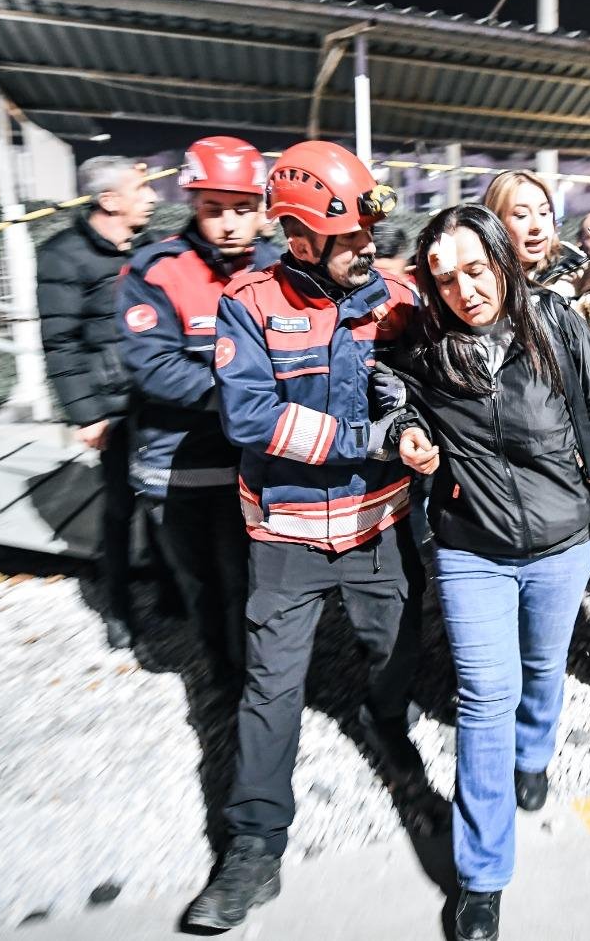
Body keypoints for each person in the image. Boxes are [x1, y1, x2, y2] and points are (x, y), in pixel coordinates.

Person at [397, 204, 590, 941]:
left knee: (544, 666)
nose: (464, 291)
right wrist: (406, 433)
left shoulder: (553, 324)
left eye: (476, 270)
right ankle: (483, 875)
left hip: (561, 544)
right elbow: (391, 403)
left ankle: (536, 751)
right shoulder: (422, 348)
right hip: (470, 546)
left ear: (503, 263)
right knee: (485, 695)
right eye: (444, 279)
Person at [186, 141, 425, 931]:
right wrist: (368, 437)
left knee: (392, 652)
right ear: (300, 238)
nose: (368, 248)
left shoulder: (394, 296)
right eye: (352, 236)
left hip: (378, 527)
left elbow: (448, 359)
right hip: (284, 536)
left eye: (369, 233)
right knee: (270, 687)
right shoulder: (250, 303)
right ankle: (254, 844)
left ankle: (389, 731)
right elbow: (250, 416)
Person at [116, 137, 271, 690]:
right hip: (180, 471)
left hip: (257, 468)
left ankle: (263, 682)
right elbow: (152, 364)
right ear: (193, 204)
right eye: (213, 209)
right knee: (206, 585)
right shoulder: (156, 270)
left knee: (252, 584)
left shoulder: (281, 269)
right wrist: (245, 396)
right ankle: (226, 684)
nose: (229, 223)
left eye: (242, 209)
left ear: (262, 210)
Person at [37, 155, 158, 648]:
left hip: (160, 396)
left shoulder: (149, 247)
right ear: (109, 201)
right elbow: (60, 343)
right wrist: (86, 413)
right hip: (114, 409)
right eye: (141, 188)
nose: (151, 197)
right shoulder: (62, 255)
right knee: (121, 508)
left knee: (167, 499)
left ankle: (172, 589)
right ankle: (119, 609)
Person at [483, 170, 560, 284]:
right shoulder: (480, 280)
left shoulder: (577, 272)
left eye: (543, 212)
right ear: (496, 222)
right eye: (521, 215)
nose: (536, 226)